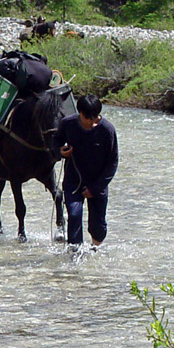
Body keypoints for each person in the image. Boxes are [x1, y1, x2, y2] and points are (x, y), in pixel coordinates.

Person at [54, 94, 119, 249]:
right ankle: (75, 255)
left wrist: (95, 188)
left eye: (94, 118)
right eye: (86, 118)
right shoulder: (67, 123)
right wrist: (60, 151)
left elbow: (112, 162)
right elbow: (55, 142)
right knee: (74, 215)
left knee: (98, 227)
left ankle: (95, 248)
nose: (90, 122)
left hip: (98, 182)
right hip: (73, 181)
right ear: (79, 113)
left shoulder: (107, 130)